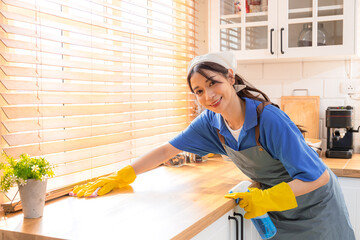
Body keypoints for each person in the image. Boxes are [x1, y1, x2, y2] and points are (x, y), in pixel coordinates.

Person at [72, 52, 355, 239]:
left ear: (230, 78)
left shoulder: (267, 118)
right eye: (198, 91)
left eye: (213, 83)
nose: (208, 95)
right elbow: (166, 150)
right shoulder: (211, 122)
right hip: (281, 211)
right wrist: (123, 175)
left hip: (317, 208)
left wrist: (265, 199)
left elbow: (316, 177)